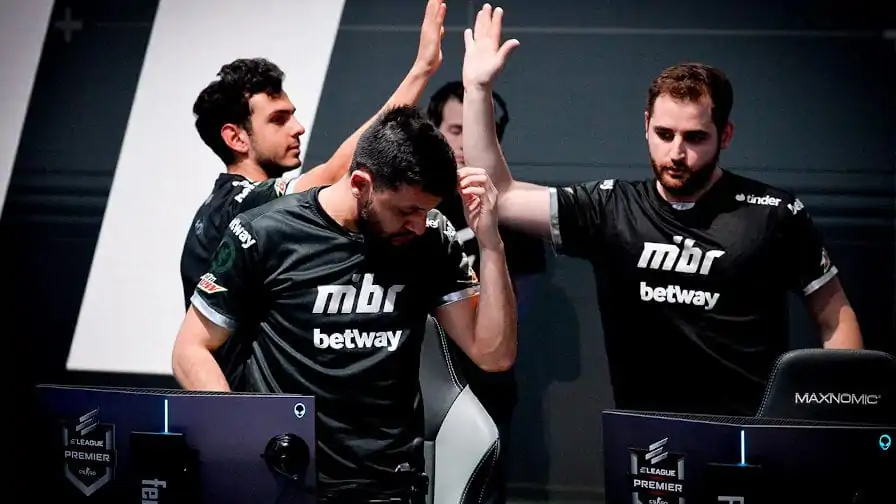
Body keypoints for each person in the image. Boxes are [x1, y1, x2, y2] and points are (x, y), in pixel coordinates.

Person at [460, 5, 863, 416]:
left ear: (725, 135)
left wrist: (843, 423)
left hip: (750, 438)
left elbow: (836, 320)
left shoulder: (775, 214)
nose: (677, 153)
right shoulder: (611, 209)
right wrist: (477, 91)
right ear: (646, 125)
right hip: (645, 440)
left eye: (695, 138)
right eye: (664, 134)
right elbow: (499, 195)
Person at [171, 105, 518, 503]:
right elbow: (190, 349)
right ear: (360, 183)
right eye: (407, 210)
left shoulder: (431, 240)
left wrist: (492, 244)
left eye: (427, 211)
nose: (419, 224)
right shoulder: (263, 233)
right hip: (285, 482)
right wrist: (243, 436)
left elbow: (493, 355)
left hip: (389, 486)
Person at [179, 0, 448, 309]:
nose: (298, 128)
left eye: (292, 115)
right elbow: (335, 174)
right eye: (278, 120)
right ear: (235, 138)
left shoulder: (223, 206)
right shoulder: (237, 203)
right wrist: (421, 71)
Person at [426, 80, 544, 503]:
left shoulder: (511, 210)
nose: (464, 142)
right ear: (434, 130)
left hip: (487, 384)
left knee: (482, 492)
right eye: (455, 130)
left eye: (477, 130)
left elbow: (523, 304)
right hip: (414, 380)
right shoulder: (414, 202)